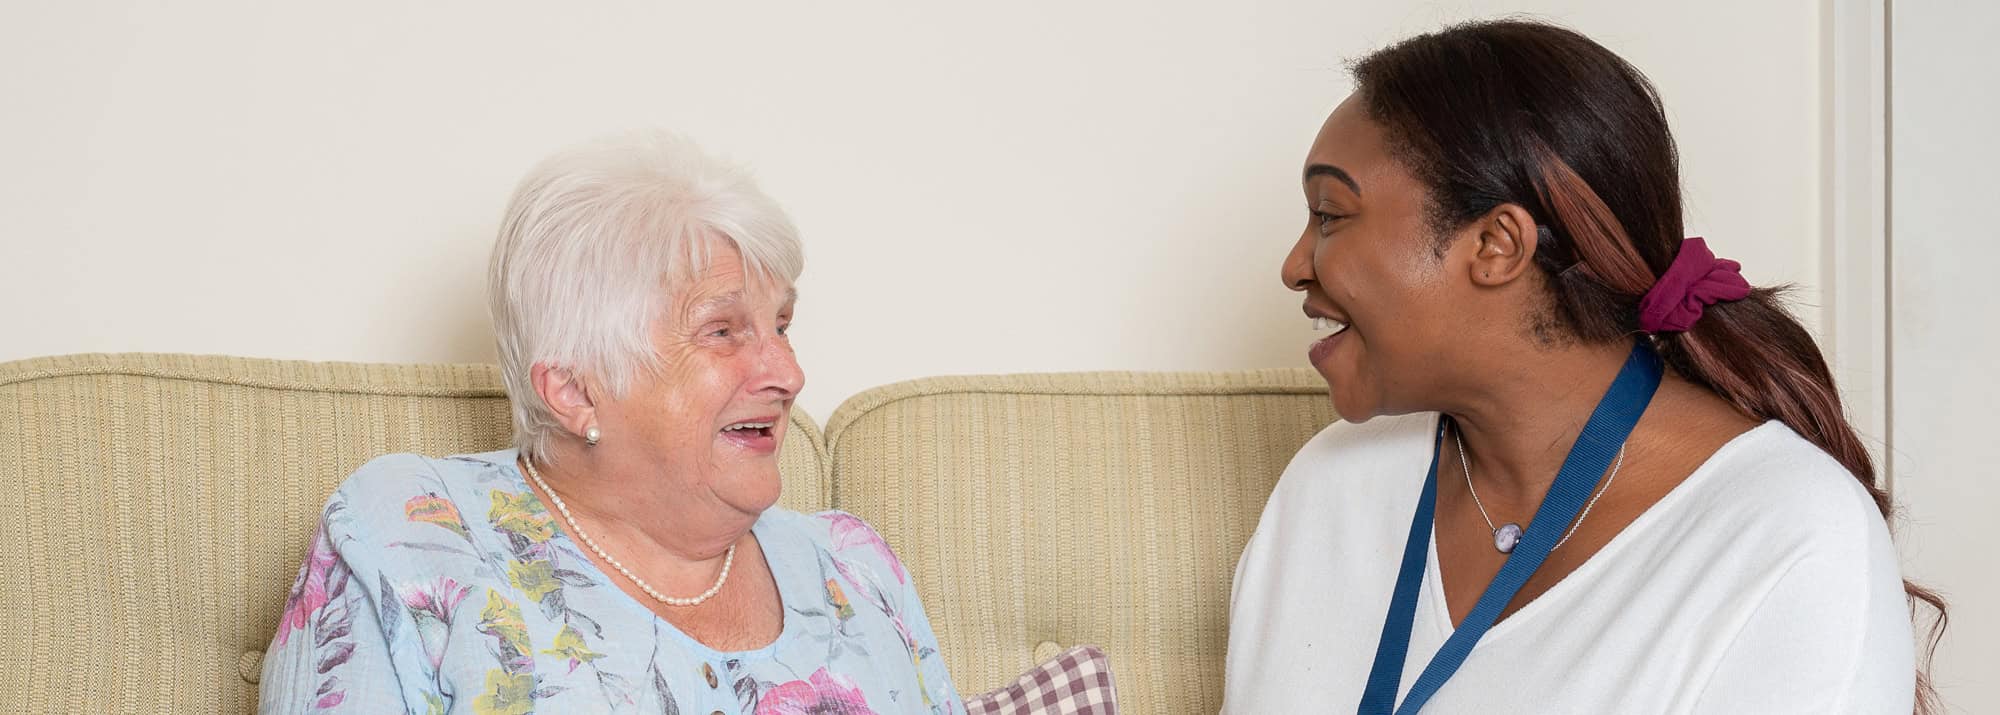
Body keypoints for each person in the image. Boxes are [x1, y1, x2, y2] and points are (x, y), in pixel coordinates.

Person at [1224, 20, 1943, 714]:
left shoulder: (1792, 539)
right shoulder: (1327, 488)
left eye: (1331, 214)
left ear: (1497, 244)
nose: (1294, 266)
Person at [261, 132, 962, 714]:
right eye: (722, 331)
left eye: (782, 325)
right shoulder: (412, 531)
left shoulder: (856, 566)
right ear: (573, 390)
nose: (788, 372)